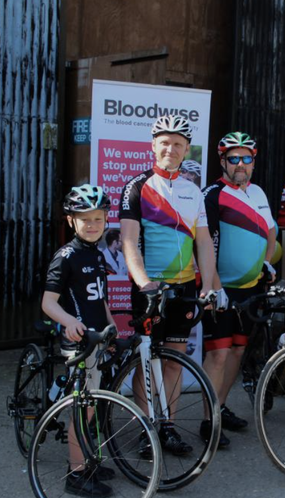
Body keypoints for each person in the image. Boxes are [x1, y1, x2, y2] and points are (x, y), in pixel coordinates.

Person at [119, 114, 217, 455]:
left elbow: (203, 242)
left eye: (177, 144)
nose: (170, 149)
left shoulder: (193, 191)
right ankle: (145, 428)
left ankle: (168, 427)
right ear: (153, 146)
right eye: (164, 142)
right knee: (146, 361)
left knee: (175, 359)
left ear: (186, 148)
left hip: (185, 287)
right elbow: (129, 241)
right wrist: (144, 283)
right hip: (151, 290)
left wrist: (207, 287)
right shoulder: (137, 186)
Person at [202, 131, 277, 447]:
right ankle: (208, 422)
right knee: (218, 355)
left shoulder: (258, 192)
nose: (241, 164)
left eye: (247, 158)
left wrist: (267, 262)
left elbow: (271, 231)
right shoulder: (212, 195)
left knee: (238, 350)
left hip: (251, 288)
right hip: (223, 290)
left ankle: (219, 407)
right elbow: (203, 245)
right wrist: (214, 287)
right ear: (223, 161)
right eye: (234, 158)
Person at [42, 184, 116, 498]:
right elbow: (48, 303)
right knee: (83, 408)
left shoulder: (98, 255)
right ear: (71, 220)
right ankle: (76, 473)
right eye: (84, 219)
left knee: (95, 405)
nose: (92, 225)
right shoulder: (66, 256)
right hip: (78, 342)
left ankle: (88, 460)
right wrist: (70, 322)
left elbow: (100, 299)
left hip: (99, 340)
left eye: (98, 219)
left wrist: (112, 327)